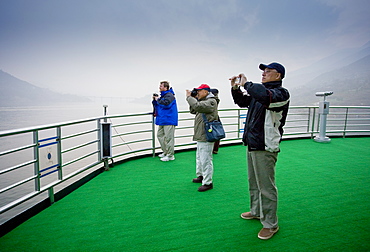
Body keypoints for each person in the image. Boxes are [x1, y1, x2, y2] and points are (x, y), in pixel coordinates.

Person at [230, 62, 290, 240]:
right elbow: (242, 101)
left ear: (278, 75)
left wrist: (247, 84)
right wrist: (235, 88)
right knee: (254, 182)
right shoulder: (260, 94)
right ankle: (256, 211)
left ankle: (271, 224)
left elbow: (265, 97)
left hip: (266, 145)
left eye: (268, 72)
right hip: (253, 143)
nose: (264, 74)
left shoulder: (280, 94)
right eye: (263, 71)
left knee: (266, 186)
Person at [186, 84, 219, 192]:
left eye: (199, 91)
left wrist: (190, 98)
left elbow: (198, 107)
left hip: (206, 135)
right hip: (201, 134)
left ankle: (208, 182)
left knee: (206, 159)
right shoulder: (203, 101)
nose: (198, 93)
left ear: (205, 91)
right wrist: (194, 98)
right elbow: (193, 110)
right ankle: (201, 176)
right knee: (200, 158)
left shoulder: (211, 101)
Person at [152, 81, 178, 161]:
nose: (159, 87)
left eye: (161, 86)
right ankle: (166, 152)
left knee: (169, 138)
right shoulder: (163, 96)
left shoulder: (170, 95)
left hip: (169, 119)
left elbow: (166, 104)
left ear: (166, 87)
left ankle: (170, 155)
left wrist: (158, 99)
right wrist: (154, 101)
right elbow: (159, 105)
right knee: (160, 135)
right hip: (162, 119)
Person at [210, 88, 221, 154]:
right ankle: (215, 149)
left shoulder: (213, 100)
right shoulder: (216, 100)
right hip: (216, 117)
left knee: (211, 133)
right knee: (217, 133)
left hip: (212, 118)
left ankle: (213, 148)